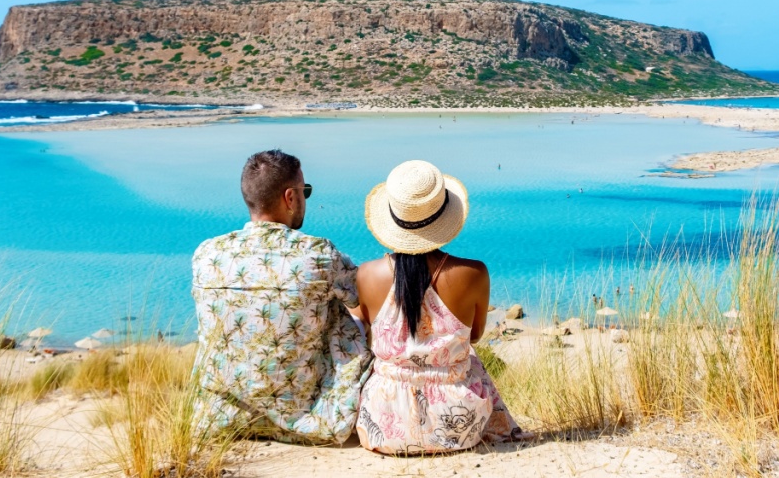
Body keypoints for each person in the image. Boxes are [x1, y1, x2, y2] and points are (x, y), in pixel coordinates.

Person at [189, 150, 372, 444]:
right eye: (305, 191)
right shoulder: (318, 254)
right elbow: (364, 296)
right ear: (290, 197)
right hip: (306, 419)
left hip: (219, 419)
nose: (305, 199)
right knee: (354, 311)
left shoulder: (206, 254)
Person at [354, 160, 529, 454]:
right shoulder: (474, 273)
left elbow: (364, 335)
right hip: (459, 424)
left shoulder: (367, 275)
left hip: (384, 426)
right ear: (444, 216)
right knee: (472, 361)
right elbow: (473, 337)